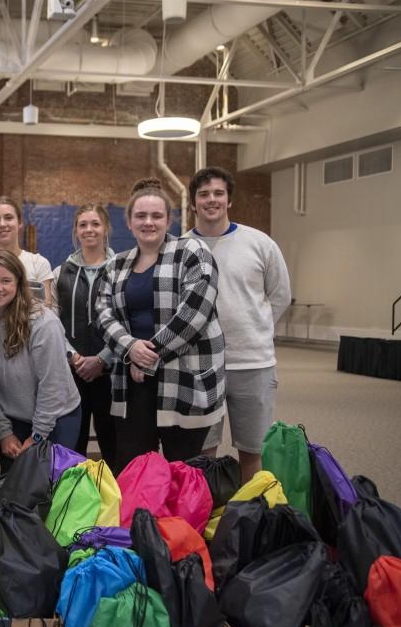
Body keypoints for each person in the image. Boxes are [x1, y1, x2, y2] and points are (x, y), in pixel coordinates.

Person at [96, 178, 226, 473]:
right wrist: (131, 349)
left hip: (183, 378)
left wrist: (147, 357)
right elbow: (103, 314)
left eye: (156, 216)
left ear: (170, 219)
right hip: (133, 382)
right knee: (134, 468)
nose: (148, 222)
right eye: (140, 216)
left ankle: (181, 522)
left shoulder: (193, 252)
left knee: (184, 470)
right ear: (129, 222)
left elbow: (194, 313)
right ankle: (139, 521)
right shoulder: (115, 265)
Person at [187, 166, 291, 482]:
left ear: (229, 200)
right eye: (203, 194)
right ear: (193, 202)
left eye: (218, 193)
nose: (211, 200)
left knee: (252, 452)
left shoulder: (260, 243)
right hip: (199, 366)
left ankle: (249, 521)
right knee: (202, 454)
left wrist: (254, 329)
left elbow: (280, 296)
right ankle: (203, 525)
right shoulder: (180, 248)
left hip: (252, 364)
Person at [0, 250, 82, 472]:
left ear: (18, 283)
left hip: (56, 417)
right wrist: (4, 432)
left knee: (49, 490)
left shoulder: (44, 323)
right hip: (12, 418)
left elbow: (53, 386)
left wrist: (37, 437)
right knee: (14, 489)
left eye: (6, 281)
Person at [54, 204, 118, 466]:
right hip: (73, 372)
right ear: (75, 230)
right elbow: (53, 321)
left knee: (114, 448)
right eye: (83, 224)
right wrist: (73, 356)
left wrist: (102, 358)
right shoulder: (61, 273)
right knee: (72, 448)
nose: (89, 229)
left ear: (105, 228)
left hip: (111, 373)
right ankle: (74, 502)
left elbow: (126, 319)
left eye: (95, 223)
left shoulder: (121, 269)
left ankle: (118, 504)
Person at [0, 196, 55, 307]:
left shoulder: (39, 263)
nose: (2, 224)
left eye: (8, 217)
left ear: (20, 222)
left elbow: (45, 308)